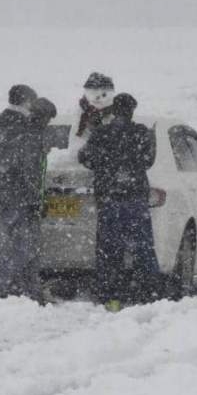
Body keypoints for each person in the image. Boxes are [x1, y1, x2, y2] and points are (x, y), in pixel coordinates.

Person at [77, 93, 159, 306]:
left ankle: (110, 295)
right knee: (143, 248)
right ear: (132, 111)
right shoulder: (141, 133)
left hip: (110, 200)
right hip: (135, 200)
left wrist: (106, 166)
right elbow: (148, 160)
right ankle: (146, 294)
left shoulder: (101, 133)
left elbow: (85, 157)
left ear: (114, 110)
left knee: (109, 250)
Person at [0, 86, 58, 303]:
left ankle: (24, 293)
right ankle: (4, 293)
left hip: (4, 196)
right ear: (27, 102)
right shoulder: (24, 129)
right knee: (24, 250)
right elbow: (26, 169)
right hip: (22, 199)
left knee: (8, 248)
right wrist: (36, 198)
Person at [76, 72, 116, 138]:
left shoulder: (113, 112)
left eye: (104, 94)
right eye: (93, 93)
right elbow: (76, 138)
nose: (98, 97)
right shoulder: (83, 110)